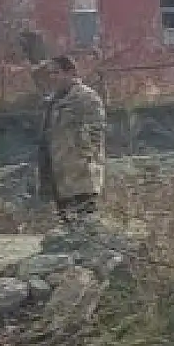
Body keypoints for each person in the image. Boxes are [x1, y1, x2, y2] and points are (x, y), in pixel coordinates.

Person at [35, 54, 107, 230]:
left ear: (71, 73)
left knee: (86, 226)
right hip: (59, 176)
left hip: (81, 176)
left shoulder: (86, 98)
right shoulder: (52, 102)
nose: (53, 78)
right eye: (50, 73)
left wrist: (83, 156)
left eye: (57, 72)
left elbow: (96, 132)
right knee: (67, 226)